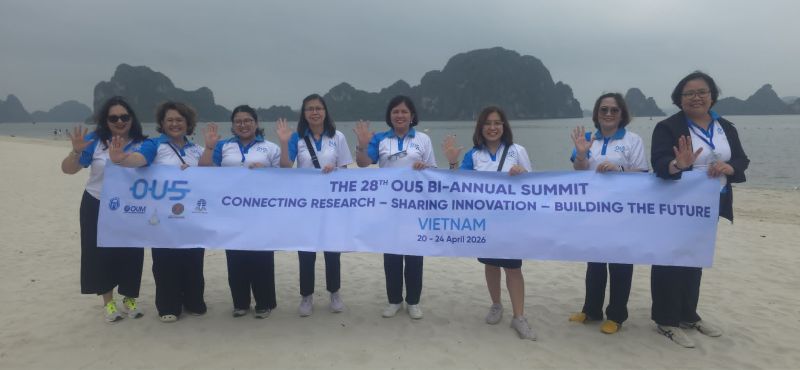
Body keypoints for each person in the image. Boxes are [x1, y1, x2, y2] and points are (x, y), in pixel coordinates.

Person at [650, 71, 749, 348]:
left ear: (712, 95)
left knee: (695, 258)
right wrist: (679, 164)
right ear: (679, 99)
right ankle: (666, 320)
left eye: (702, 92)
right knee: (669, 260)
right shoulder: (668, 127)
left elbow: (741, 159)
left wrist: (731, 168)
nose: (696, 98)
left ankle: (688, 314)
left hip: (711, 204)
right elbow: (659, 164)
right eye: (689, 93)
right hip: (675, 206)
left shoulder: (725, 126)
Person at [442, 106, 536, 340]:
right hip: (484, 221)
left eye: (497, 123)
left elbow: (534, 184)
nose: (493, 128)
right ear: (480, 128)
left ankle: (519, 316)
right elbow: (459, 186)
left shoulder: (517, 150)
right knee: (491, 265)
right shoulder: (474, 155)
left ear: (504, 126)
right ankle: (496, 304)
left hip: (512, 220)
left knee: (514, 267)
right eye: (488, 123)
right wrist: (453, 163)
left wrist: (522, 172)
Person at [108, 101, 207, 323]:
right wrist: (121, 159)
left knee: (193, 258)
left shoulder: (195, 149)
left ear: (187, 123)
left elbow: (210, 175)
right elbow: (140, 160)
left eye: (179, 120)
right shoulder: (154, 145)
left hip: (191, 217)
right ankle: (168, 305)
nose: (175, 124)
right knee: (165, 261)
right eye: (170, 120)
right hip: (162, 217)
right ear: (162, 123)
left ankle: (194, 301)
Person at [567, 93, 648, 334]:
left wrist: (619, 169)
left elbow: (643, 173)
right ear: (596, 114)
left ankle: (616, 315)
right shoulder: (588, 138)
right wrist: (581, 153)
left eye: (614, 110)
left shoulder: (633, 140)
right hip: (593, 210)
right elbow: (579, 170)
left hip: (623, 211)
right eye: (604, 110)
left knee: (620, 263)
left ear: (622, 114)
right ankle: (591, 310)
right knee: (595, 262)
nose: (609, 114)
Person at [60, 96, 147, 323]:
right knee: (98, 253)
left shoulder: (142, 143)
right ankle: (108, 302)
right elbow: (68, 170)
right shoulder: (95, 142)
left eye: (124, 117)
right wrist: (76, 152)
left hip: (130, 207)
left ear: (131, 119)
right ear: (105, 121)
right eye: (113, 117)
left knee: (132, 251)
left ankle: (129, 298)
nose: (119, 121)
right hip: (96, 202)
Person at [354, 95, 437, 319]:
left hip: (415, 206)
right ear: (390, 116)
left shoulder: (422, 140)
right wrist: (361, 145)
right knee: (391, 255)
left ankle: (413, 301)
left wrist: (424, 167)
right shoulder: (380, 139)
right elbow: (363, 163)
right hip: (388, 206)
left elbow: (433, 171)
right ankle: (394, 300)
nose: (399, 116)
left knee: (414, 255)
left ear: (412, 116)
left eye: (404, 112)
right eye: (395, 112)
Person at [198, 105, 280, 319]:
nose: (243, 125)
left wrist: (266, 173)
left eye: (248, 120)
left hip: (261, 211)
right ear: (233, 125)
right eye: (238, 121)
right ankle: (240, 302)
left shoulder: (270, 148)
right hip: (231, 211)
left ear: (256, 123)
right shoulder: (223, 146)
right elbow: (204, 170)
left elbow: (284, 179)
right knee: (235, 257)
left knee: (262, 257)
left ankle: (264, 302)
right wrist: (208, 147)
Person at [275, 94, 353, 317]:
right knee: (306, 251)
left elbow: (345, 172)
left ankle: (334, 293)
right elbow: (285, 167)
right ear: (304, 113)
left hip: (331, 203)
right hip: (305, 204)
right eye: (310, 109)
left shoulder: (337, 137)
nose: (315, 112)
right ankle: (306, 295)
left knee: (332, 251)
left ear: (325, 111)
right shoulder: (297, 138)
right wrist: (283, 141)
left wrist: (335, 171)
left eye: (319, 108)